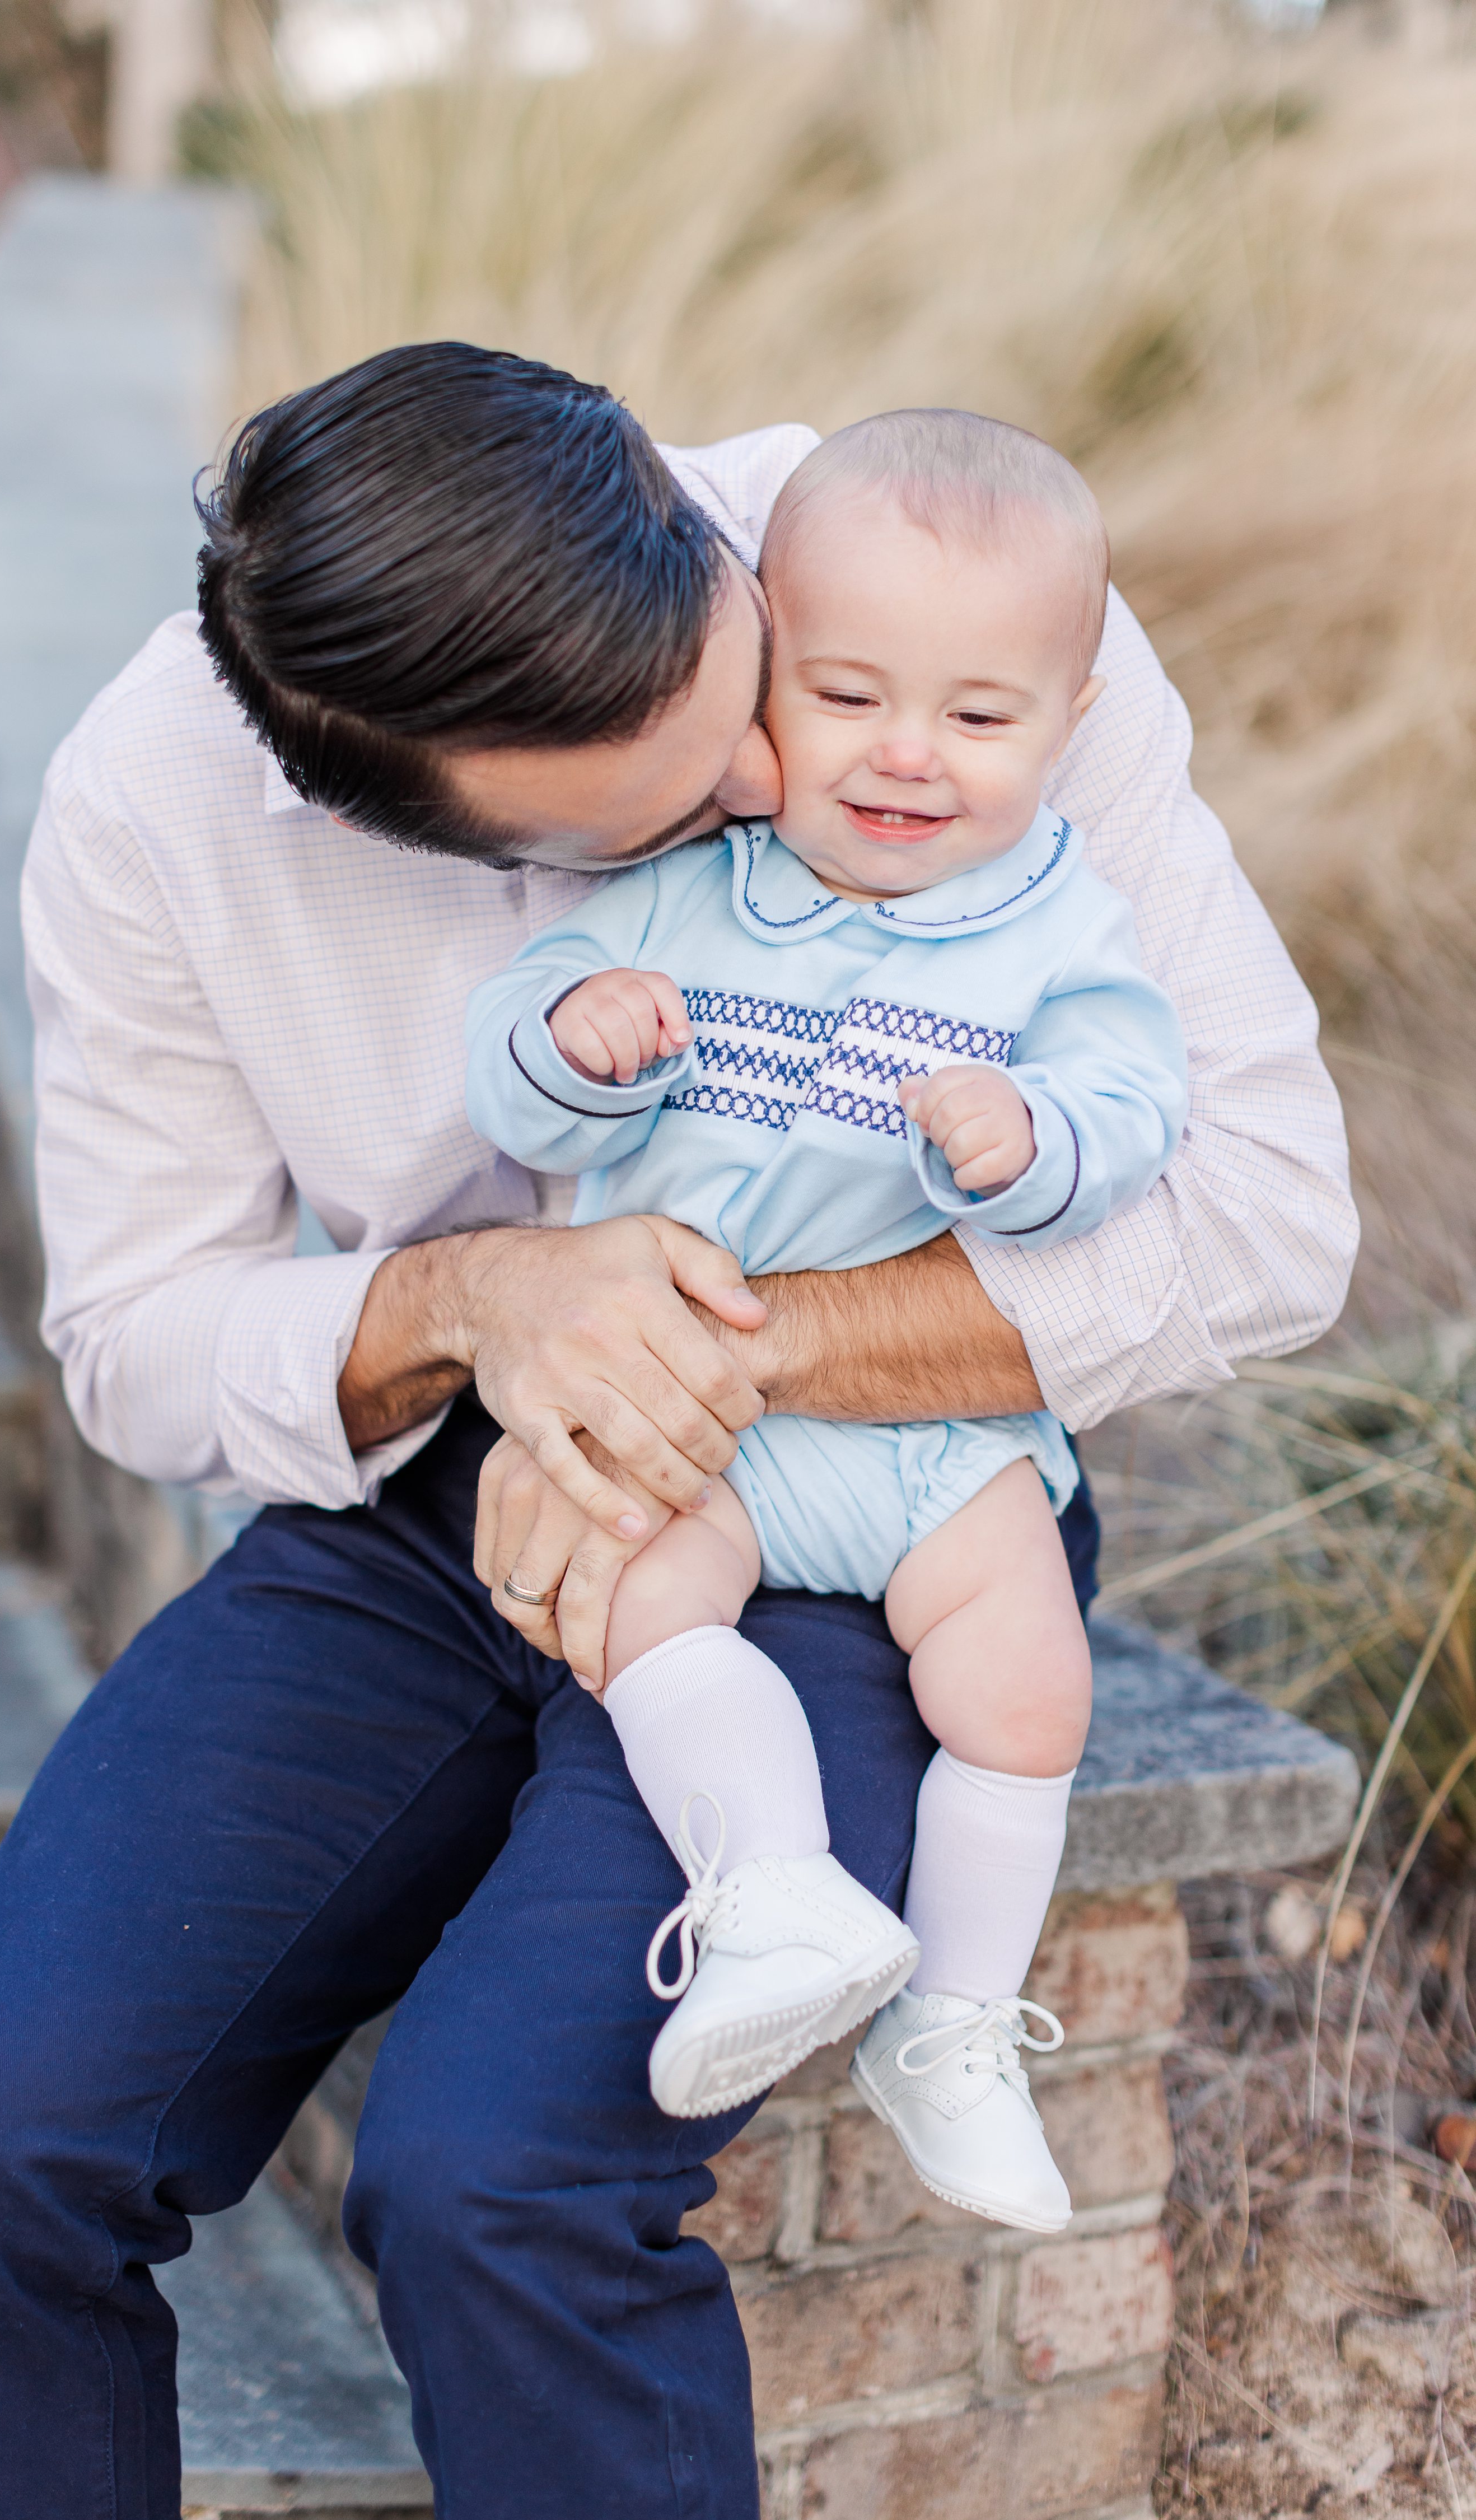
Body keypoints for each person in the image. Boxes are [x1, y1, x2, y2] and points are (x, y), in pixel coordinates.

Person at [0, 343, 1356, 2520]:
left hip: (868, 1500)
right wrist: (473, 1303)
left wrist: (727, 1352)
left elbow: (1275, 1225)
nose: (782, 790)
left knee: (497, 2178)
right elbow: (142, 1337)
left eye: (758, 699)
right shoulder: (158, 800)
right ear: (424, 828)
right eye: (675, 815)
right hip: (417, 1496)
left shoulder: (926, 596)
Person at [464, 409, 1188, 2233]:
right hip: (692, 1419)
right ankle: (775, 1886)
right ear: (766, 670)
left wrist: (1033, 1144)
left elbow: (1136, 1104)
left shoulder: (1062, 933)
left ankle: (948, 2019)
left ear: (1072, 719)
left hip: (924, 1431)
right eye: (849, 695)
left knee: (1025, 1676)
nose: (905, 758)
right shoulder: (681, 893)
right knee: (633, 1599)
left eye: (978, 717)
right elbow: (521, 1068)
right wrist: (577, 1042)